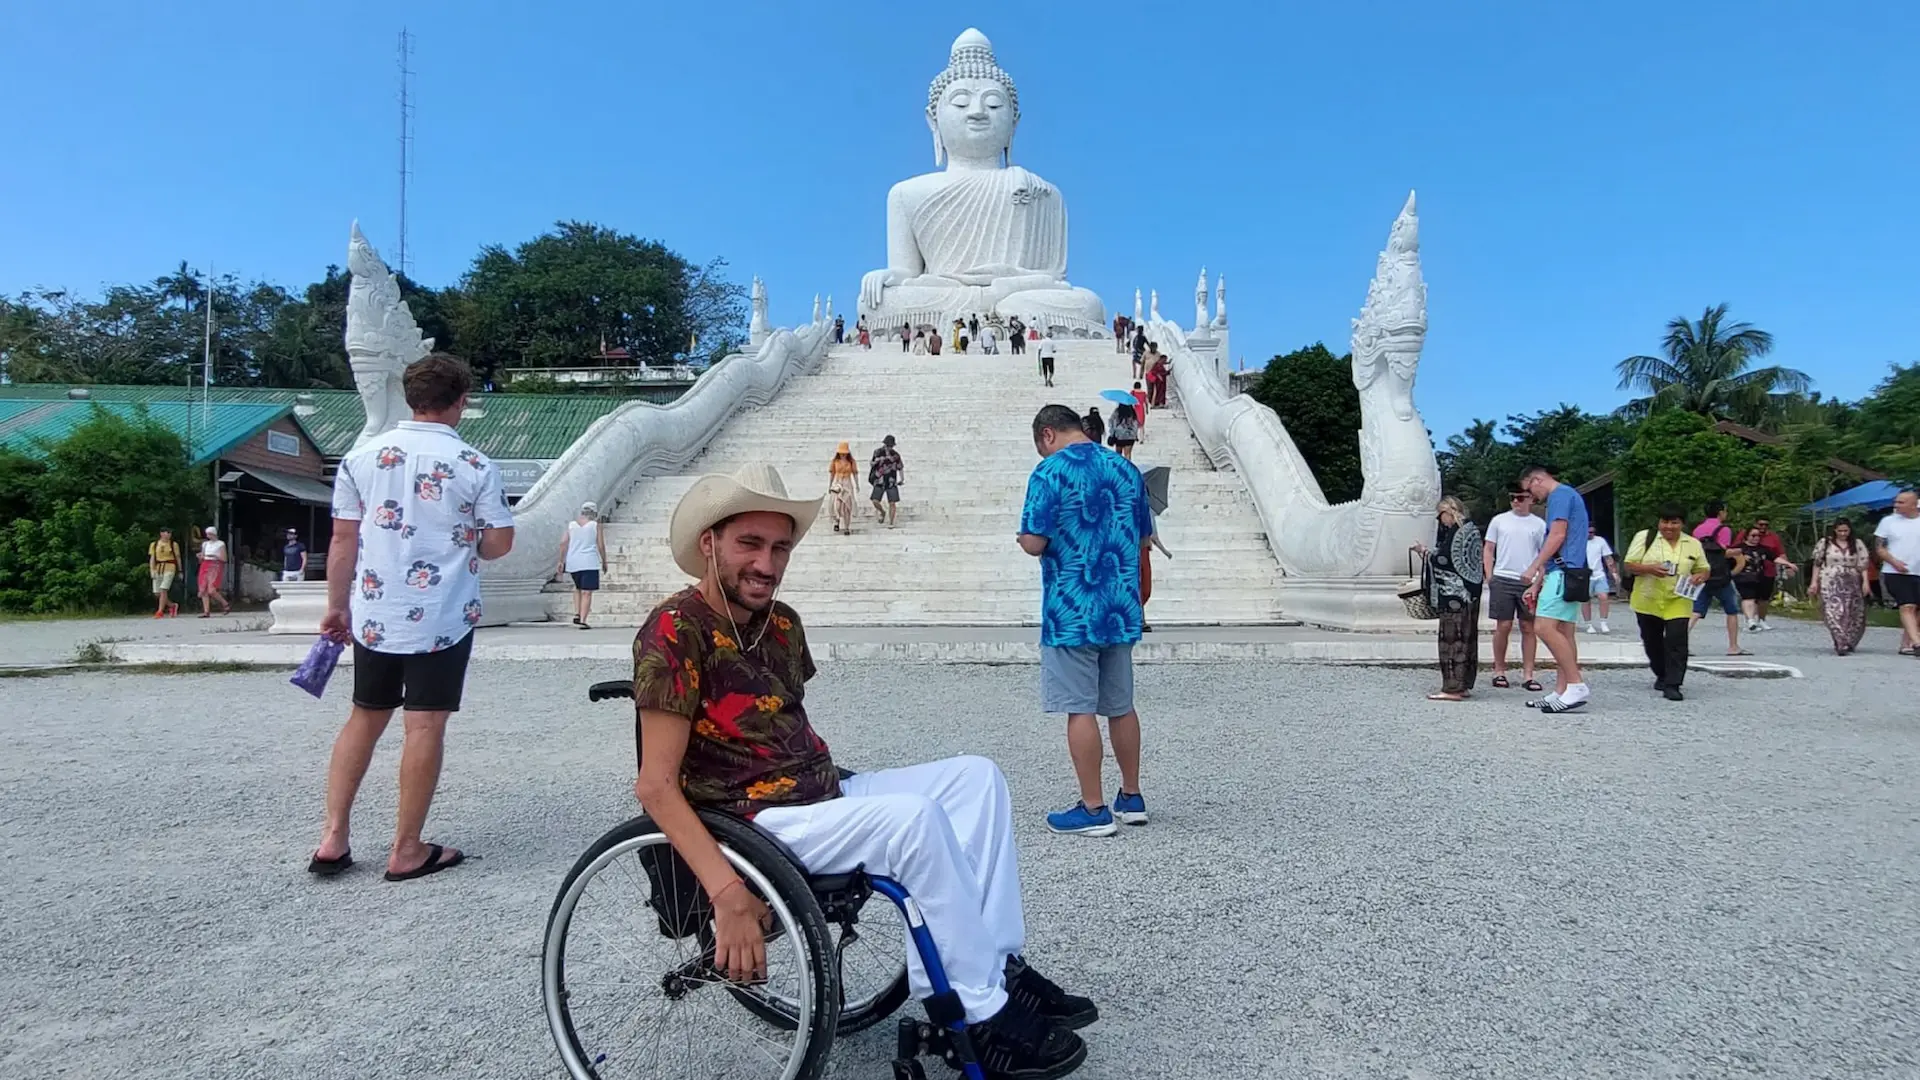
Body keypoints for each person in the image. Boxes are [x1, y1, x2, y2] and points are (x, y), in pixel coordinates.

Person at [631, 462, 1097, 1078]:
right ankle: (973, 1014)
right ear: (708, 543)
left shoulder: (782, 623)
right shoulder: (674, 630)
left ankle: (997, 964)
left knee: (976, 779)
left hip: (820, 794)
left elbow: (782, 728)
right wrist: (727, 894)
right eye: (749, 544)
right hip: (750, 820)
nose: (767, 564)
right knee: (914, 822)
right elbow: (655, 785)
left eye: (779, 548)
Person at [308, 353, 516, 882]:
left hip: (376, 611)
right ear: (461, 401)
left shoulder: (362, 458)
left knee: (364, 716)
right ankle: (406, 848)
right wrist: (467, 537)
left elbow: (342, 540)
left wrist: (337, 606)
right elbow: (498, 543)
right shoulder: (474, 465)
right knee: (423, 725)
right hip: (443, 615)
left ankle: (333, 836)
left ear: (410, 397)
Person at [1019, 405, 1155, 839]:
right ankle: (1131, 797)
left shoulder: (1049, 473)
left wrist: (1027, 536)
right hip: (1120, 604)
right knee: (1120, 705)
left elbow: (1035, 543)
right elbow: (1143, 536)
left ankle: (1092, 807)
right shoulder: (1125, 469)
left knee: (1080, 707)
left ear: (1047, 435)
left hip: (1072, 608)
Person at [1518, 464, 1591, 713]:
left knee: (1543, 627)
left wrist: (1533, 568)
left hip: (1563, 571)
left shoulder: (1559, 497)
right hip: (1569, 571)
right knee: (1564, 631)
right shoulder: (1570, 495)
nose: (1532, 497)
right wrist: (1540, 579)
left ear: (1537, 480)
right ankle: (1563, 691)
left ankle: (1575, 684)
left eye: (1529, 490)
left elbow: (1557, 535)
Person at [1621, 504, 1710, 702]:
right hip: (1648, 598)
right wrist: (1649, 568)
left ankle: (1673, 684)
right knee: (1652, 641)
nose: (1668, 526)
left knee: (1677, 641)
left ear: (1682, 524)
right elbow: (1629, 565)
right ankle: (1661, 674)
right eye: (1665, 521)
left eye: (1674, 522)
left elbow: (1704, 568)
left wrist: (1699, 576)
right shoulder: (1645, 537)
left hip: (1678, 599)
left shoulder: (1693, 543)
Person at [1414, 495, 1485, 701]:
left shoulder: (1457, 532)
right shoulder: (1471, 530)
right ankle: (1463, 683)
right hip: (1470, 595)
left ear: (1448, 512)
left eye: (1440, 515)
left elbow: (1445, 560)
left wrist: (1424, 553)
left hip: (1453, 596)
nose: (1440, 521)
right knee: (1468, 639)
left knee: (1452, 639)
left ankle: (1452, 687)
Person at [1482, 491, 1546, 693]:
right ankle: (1499, 670)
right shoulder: (1499, 521)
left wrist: (1538, 582)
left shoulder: (1539, 524)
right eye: (1513, 498)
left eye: (1521, 497)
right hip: (1503, 577)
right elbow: (1489, 548)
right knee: (1504, 625)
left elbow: (1544, 555)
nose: (1516, 502)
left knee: (1528, 626)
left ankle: (1528, 674)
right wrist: (1490, 574)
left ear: (1531, 500)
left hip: (1528, 579)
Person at [1690, 500, 1748, 657]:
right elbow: (1723, 552)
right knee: (1731, 610)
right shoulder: (1724, 529)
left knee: (1696, 610)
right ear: (1720, 512)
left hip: (1702, 574)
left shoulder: (1698, 530)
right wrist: (1738, 552)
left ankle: (1680, 642)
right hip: (1720, 575)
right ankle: (1733, 646)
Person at [1809, 517, 1872, 656]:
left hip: (1852, 580)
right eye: (1840, 531)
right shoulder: (1825, 543)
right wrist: (1814, 582)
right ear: (1835, 530)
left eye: (1846, 531)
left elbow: (1863, 564)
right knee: (1834, 610)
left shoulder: (1857, 543)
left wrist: (1866, 582)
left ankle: (1849, 640)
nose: (1843, 534)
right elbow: (1817, 563)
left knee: (1852, 612)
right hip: (1830, 579)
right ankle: (1840, 641)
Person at [1874, 489, 1920, 655]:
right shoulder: (1888, 521)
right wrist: (1894, 562)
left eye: (1901, 502)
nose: (1896, 505)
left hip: (1918, 571)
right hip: (1895, 572)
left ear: (1914, 504)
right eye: (1896, 502)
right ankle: (1917, 643)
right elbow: (1879, 547)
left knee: (1916, 609)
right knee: (1907, 605)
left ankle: (1906, 644)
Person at [1733, 518, 1794, 631]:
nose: (1763, 527)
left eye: (1766, 524)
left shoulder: (1771, 540)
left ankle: (1761, 620)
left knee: (1763, 599)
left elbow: (1778, 555)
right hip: (1744, 576)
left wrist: (1788, 565)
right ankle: (1750, 621)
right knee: (1748, 597)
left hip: (1765, 573)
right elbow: (1728, 554)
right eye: (1761, 524)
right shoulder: (1741, 543)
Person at [557, 501, 607, 629]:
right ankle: (583, 620)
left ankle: (577, 613)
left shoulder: (571, 525)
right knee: (587, 592)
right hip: (589, 561)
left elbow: (563, 543)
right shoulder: (595, 525)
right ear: (594, 513)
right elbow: (600, 545)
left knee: (578, 588)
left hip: (573, 562)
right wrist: (604, 561)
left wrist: (561, 561)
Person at [1579, 525, 1618, 634]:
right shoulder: (1579, 541)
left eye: (1592, 532)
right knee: (1586, 599)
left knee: (1603, 596)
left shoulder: (1600, 541)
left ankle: (1603, 622)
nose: (1590, 534)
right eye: (1588, 532)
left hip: (1598, 573)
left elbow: (1608, 558)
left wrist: (1614, 573)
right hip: (1585, 574)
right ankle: (1588, 624)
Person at [869, 434, 905, 527]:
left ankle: (891, 522)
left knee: (892, 502)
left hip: (891, 480)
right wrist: (876, 462)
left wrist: (902, 479)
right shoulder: (877, 452)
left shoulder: (896, 455)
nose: (889, 447)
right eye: (888, 445)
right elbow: (872, 463)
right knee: (875, 500)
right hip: (879, 479)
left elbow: (900, 467)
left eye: (890, 445)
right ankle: (882, 511)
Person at [196, 526, 231, 617]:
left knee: (211, 590)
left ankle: (225, 603)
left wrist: (214, 556)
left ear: (214, 534)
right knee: (203, 588)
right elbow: (202, 557)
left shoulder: (220, 544)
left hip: (215, 565)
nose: (208, 536)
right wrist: (200, 556)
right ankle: (206, 611)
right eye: (207, 534)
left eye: (210, 534)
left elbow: (224, 558)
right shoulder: (205, 544)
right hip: (205, 565)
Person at [148, 528, 182, 618]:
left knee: (164, 589)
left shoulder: (173, 544)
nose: (168, 534)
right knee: (157, 593)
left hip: (170, 567)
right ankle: (172, 605)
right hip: (158, 568)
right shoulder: (154, 545)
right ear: (161, 534)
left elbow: (177, 557)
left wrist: (180, 570)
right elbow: (152, 558)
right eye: (167, 533)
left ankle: (160, 611)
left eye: (170, 533)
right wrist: (152, 569)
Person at [827, 442, 859, 534]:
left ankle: (846, 527)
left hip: (847, 484)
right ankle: (837, 521)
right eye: (841, 453)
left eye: (844, 453)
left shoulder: (851, 461)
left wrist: (857, 485)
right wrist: (830, 485)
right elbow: (832, 473)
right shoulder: (835, 462)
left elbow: (855, 473)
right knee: (837, 505)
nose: (843, 455)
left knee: (847, 507)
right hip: (838, 484)